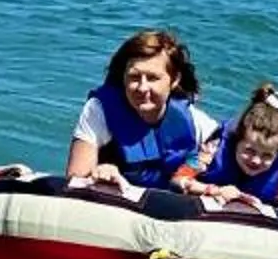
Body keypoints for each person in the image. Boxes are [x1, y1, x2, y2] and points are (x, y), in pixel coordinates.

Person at [173, 80, 278, 227]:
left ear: (277, 154)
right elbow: (178, 179)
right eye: (249, 151)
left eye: (267, 156)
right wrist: (213, 190)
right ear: (237, 142)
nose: (256, 160)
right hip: (198, 215)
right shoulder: (213, 150)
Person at [66, 29, 215, 189]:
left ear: (174, 80)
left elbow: (226, 152)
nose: (142, 88)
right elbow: (75, 178)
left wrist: (188, 173)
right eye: (134, 77)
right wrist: (99, 173)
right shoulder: (99, 110)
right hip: (114, 200)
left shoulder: (198, 123)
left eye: (152, 78)